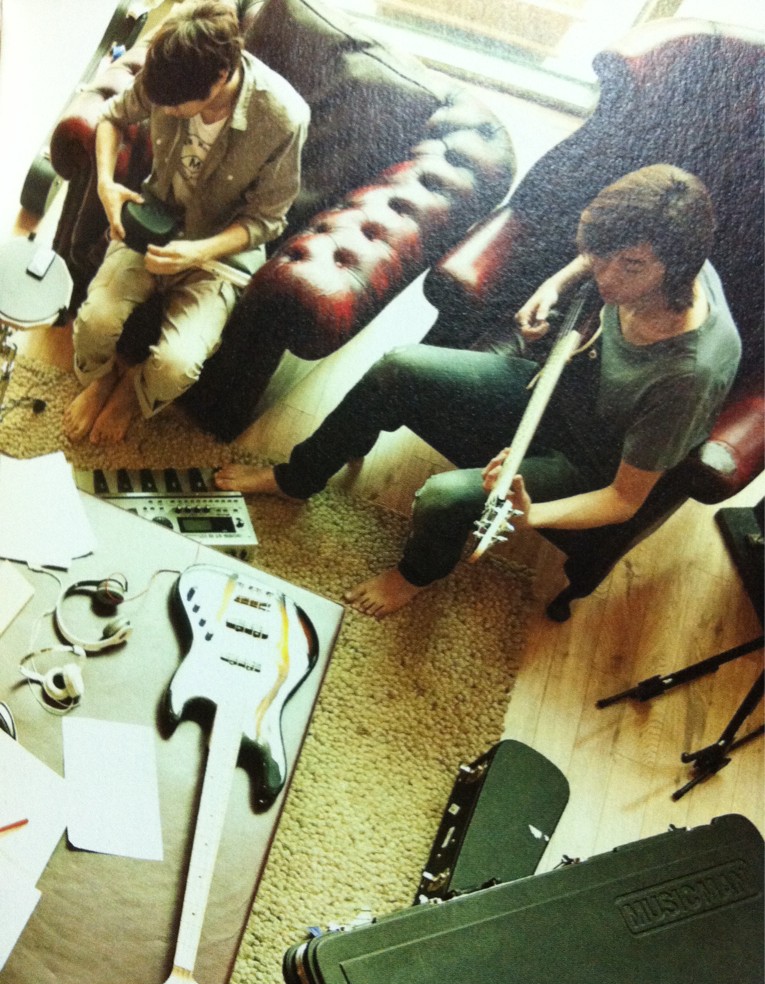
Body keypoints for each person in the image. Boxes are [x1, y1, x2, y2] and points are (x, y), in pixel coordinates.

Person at [215, 164, 741, 618]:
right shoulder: (644, 253)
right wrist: (554, 285)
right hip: (554, 388)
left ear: (677, 267)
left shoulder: (687, 377)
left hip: (589, 459)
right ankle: (297, 478)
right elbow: (602, 258)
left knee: (444, 498)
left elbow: (624, 499)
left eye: (629, 267)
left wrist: (531, 515)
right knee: (397, 367)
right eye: (601, 255)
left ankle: (416, 575)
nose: (606, 278)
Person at [63, 0, 309, 445]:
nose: (168, 112)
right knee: (95, 322)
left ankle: (131, 392)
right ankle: (101, 380)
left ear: (220, 76)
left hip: (219, 253)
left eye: (177, 108)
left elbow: (268, 219)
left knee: (176, 367)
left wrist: (197, 252)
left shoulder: (283, 118)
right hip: (152, 221)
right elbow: (112, 117)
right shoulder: (167, 72)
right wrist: (105, 184)